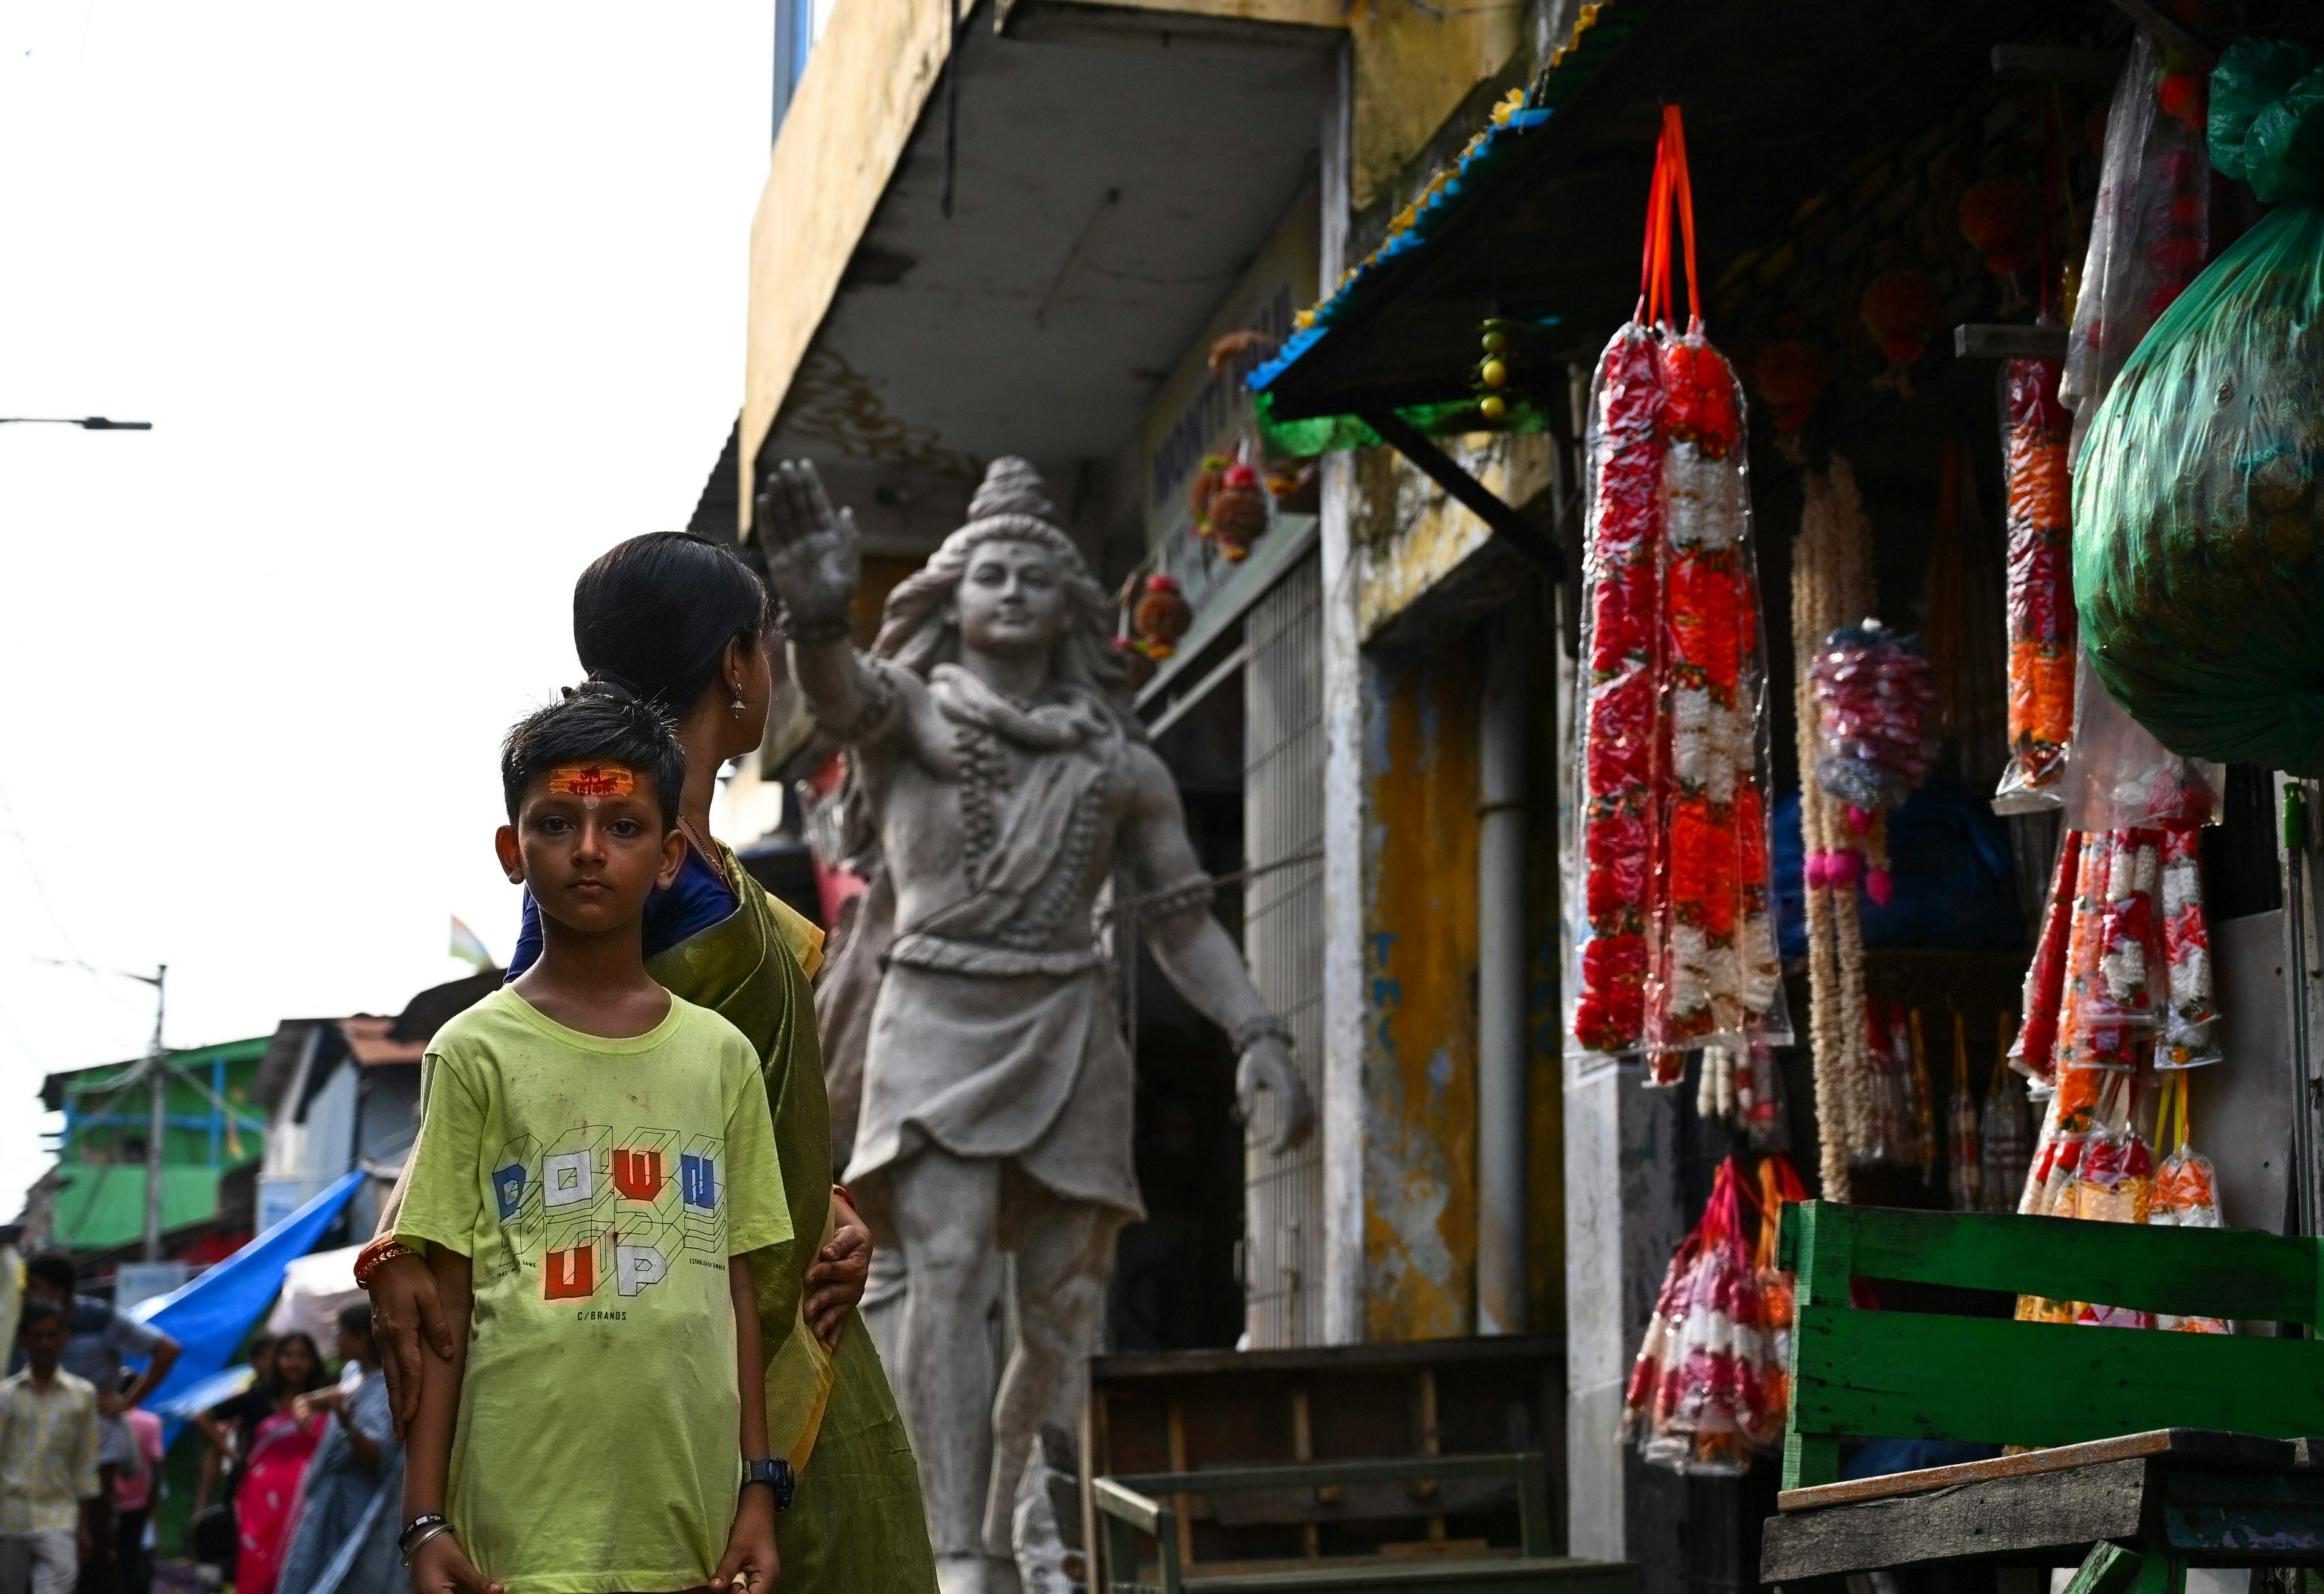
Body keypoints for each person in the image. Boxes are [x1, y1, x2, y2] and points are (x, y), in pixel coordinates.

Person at [756, 457, 1312, 1592]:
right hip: (935, 1015)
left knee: (1062, 1306)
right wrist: (818, 616)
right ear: (952, 601)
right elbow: (845, 689)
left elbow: (1178, 923)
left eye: (1031, 577)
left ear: (1068, 605)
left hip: (1067, 1023)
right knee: (952, 1268)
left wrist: (1258, 1032)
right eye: (988, 575)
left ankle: (1020, 1505)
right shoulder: (912, 716)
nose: (1009, 592)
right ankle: (955, 1549)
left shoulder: (1121, 768)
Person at [359, 532, 935, 1592]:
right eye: (762, 643)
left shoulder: (689, 856)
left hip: (782, 1302)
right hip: (691, 1360)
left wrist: (823, 1199)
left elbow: (716, 1105)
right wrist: (401, 1241)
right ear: (734, 664)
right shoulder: (632, 867)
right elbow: (513, 1067)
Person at [393, 687, 790, 1594]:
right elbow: (445, 1309)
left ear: (667, 856)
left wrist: (758, 1492)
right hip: (516, 1525)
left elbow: (739, 1291)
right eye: (556, 822)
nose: (586, 850)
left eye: (622, 826)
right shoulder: (472, 1051)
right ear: (511, 850)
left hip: (687, 1514)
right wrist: (424, 1522)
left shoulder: (720, 1056)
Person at [19, 1254, 181, 1594]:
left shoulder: (100, 1317)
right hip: (40, 1448)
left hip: (95, 1444)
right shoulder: (21, 1323)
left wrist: (128, 1401)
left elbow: (167, 1349)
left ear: (58, 1291)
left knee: (95, 1541)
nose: (27, 1293)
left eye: (33, 1287)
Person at [272, 1306, 400, 1594]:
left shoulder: (385, 1388)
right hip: (332, 1502)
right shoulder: (355, 1375)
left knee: (348, 1577)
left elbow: (376, 1454)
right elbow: (331, 1397)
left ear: (362, 1341)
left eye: (341, 1334)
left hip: (355, 1504)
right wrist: (304, 1402)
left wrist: (345, 1423)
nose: (335, 1340)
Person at [0, 1300, 103, 1594]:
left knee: (58, 1581)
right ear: (24, 1341)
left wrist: (85, 1525)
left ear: (64, 1337)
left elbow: (85, 1463)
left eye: (52, 1335)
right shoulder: (6, 1396)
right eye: (37, 1336)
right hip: (9, 1515)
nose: (45, 1343)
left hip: (58, 1514)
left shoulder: (82, 1395)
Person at [233, 1333, 328, 1594]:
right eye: (288, 1356)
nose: (295, 1363)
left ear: (313, 1362)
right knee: (257, 1567)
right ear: (277, 1361)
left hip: (307, 1501)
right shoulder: (258, 1401)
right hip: (259, 1502)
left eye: (302, 1356)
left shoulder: (326, 1402)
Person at [106, 1377, 162, 1594]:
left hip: (106, 1501)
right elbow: (157, 1465)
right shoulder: (150, 1422)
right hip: (138, 1500)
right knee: (130, 1554)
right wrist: (153, 1498)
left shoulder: (107, 1420)